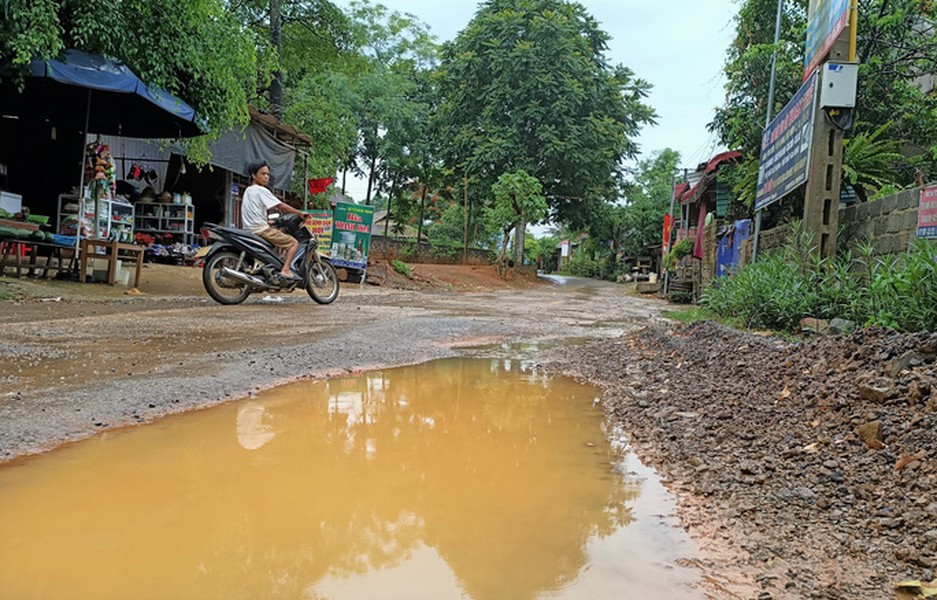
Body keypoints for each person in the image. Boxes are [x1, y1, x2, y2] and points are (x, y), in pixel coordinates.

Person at [241, 160, 308, 281]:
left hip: (250, 229)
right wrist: (300, 213)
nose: (266, 177)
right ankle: (286, 270)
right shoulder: (261, 190)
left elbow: (254, 211)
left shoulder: (248, 191)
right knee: (293, 243)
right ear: (253, 175)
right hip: (260, 230)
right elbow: (281, 206)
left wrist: (270, 222)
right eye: (263, 174)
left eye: (267, 174)